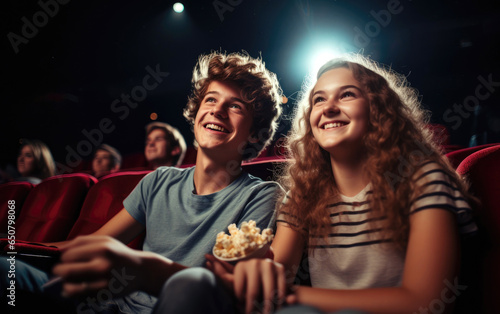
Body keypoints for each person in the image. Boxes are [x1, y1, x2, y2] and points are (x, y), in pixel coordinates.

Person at [0, 51, 284, 313]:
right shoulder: (158, 181)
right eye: (211, 99)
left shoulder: (261, 196)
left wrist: (150, 272)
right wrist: (14, 248)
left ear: (256, 134)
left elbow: (223, 287)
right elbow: (92, 244)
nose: (217, 110)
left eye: (235, 106)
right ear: (196, 113)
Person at [207, 54, 478, 314]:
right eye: (319, 99)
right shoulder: (302, 195)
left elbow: (427, 304)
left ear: (379, 108)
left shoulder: (424, 181)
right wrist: (251, 271)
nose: (328, 108)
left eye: (347, 94)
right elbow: (277, 273)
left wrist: (289, 295)